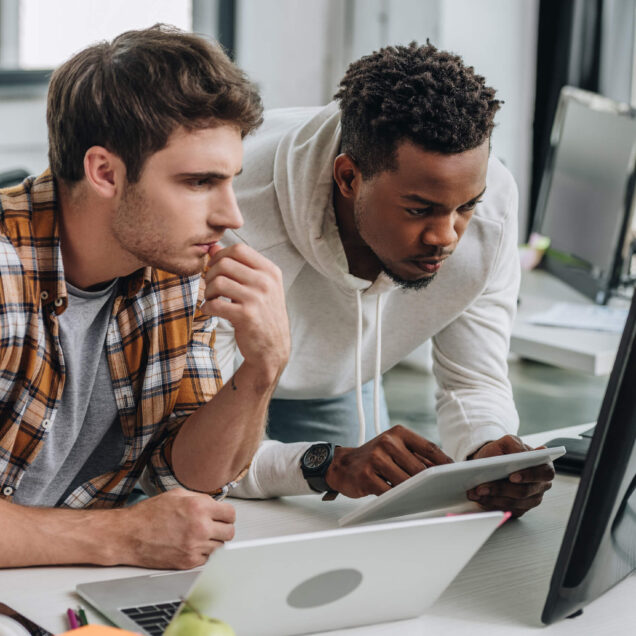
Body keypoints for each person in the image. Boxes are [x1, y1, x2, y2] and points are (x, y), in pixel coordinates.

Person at [221, 43, 555, 516]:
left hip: (339, 383)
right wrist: (325, 464)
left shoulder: (490, 210)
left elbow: (473, 382)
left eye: (466, 206)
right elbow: (194, 456)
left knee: (353, 524)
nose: (446, 236)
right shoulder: (231, 220)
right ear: (348, 178)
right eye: (419, 210)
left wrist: (487, 455)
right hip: (225, 382)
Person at [0, 25, 290, 569]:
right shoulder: (4, 275)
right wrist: (123, 535)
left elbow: (190, 474)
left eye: (230, 181)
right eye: (199, 182)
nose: (232, 216)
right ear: (105, 172)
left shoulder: (171, 267)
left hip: (53, 585)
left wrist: (261, 367)